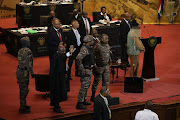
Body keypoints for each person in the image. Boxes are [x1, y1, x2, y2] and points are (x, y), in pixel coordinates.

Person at [49, 43, 76, 113]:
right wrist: (69, 53)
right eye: (63, 51)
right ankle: (56, 107)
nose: (64, 53)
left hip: (57, 77)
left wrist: (69, 53)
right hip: (57, 78)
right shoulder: (59, 57)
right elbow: (64, 57)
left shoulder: (57, 55)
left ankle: (56, 105)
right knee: (57, 91)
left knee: (57, 91)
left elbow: (64, 57)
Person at [16, 36, 35, 114]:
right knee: (24, 90)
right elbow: (29, 64)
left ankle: (23, 104)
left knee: (22, 89)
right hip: (24, 73)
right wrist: (32, 73)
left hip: (19, 71)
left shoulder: (20, 50)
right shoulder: (28, 51)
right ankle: (22, 108)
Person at [76, 35, 95, 110]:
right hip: (85, 69)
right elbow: (78, 59)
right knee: (84, 87)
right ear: (89, 41)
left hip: (89, 69)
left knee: (87, 86)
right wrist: (81, 68)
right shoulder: (84, 49)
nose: (93, 41)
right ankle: (79, 102)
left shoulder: (89, 48)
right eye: (92, 40)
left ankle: (84, 100)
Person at [91, 34, 111, 102]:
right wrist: (94, 65)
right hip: (99, 66)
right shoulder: (97, 46)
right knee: (96, 81)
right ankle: (93, 95)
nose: (107, 40)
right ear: (101, 39)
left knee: (106, 81)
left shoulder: (108, 45)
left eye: (107, 38)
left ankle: (105, 94)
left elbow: (109, 54)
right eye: (106, 39)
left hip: (106, 66)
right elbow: (93, 55)